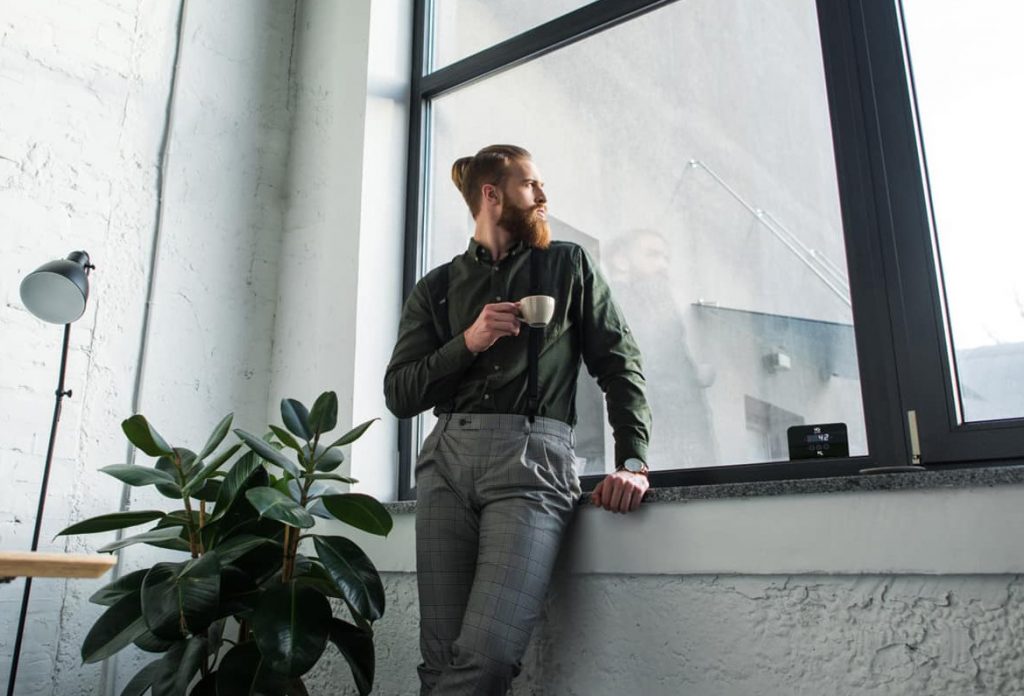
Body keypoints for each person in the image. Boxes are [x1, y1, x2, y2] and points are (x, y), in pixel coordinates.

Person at [384, 144, 651, 695]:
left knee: (488, 658)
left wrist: (632, 461)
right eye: (532, 185)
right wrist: (470, 341)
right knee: (438, 660)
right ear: (492, 193)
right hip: (446, 462)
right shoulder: (436, 289)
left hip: (533, 462)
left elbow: (619, 364)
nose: (544, 196)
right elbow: (400, 393)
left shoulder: (567, 265)